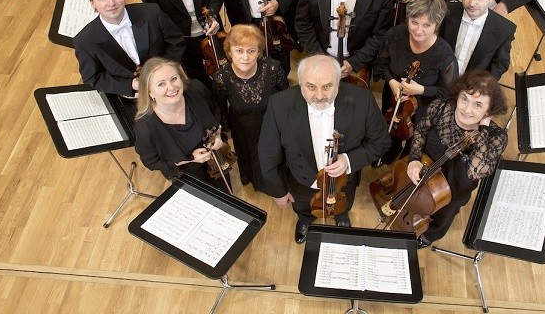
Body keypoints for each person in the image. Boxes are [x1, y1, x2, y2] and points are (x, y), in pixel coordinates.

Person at [258, 55, 391, 243]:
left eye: (327, 86)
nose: (319, 96)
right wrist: (278, 191)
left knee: (343, 205)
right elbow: (267, 154)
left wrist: (348, 160)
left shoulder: (363, 100)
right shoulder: (279, 104)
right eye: (311, 87)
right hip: (301, 182)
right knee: (303, 207)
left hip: (343, 183)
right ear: (300, 83)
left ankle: (341, 217)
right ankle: (305, 220)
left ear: (338, 82)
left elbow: (381, 142)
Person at [406, 70, 508, 248]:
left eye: (478, 105)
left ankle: (428, 236)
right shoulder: (440, 107)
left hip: (455, 188)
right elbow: (421, 132)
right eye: (464, 99)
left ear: (489, 110)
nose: (467, 109)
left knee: (443, 215)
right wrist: (414, 159)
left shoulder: (496, 137)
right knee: (413, 197)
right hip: (426, 167)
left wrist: (483, 129)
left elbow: (475, 171)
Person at [73, 0, 185, 104]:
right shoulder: (84, 41)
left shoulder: (151, 13)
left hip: (170, 87)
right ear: (92, 3)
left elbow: (176, 42)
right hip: (129, 98)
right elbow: (93, 78)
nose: (111, 3)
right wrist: (132, 85)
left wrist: (164, 74)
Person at [373, 0, 458, 164]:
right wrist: (391, 81)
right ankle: (389, 150)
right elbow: (382, 63)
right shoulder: (395, 35)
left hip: (424, 105)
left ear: (437, 25)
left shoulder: (444, 54)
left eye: (427, 25)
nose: (418, 30)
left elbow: (448, 92)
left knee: (415, 136)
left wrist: (421, 90)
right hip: (394, 95)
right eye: (414, 22)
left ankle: (406, 161)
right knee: (390, 123)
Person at [211, 24, 288, 193]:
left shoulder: (273, 68)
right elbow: (221, 108)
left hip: (272, 125)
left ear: (258, 51)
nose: (245, 57)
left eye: (251, 51)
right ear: (230, 52)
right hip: (243, 128)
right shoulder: (221, 78)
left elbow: (286, 100)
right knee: (253, 159)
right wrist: (227, 130)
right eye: (239, 51)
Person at [134, 57, 230, 192]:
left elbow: (215, 109)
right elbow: (152, 162)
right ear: (150, 92)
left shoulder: (196, 89)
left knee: (226, 195)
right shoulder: (144, 127)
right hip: (186, 171)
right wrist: (191, 159)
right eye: (161, 84)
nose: (171, 87)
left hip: (216, 159)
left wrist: (218, 135)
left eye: (174, 78)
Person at [441, 0, 516, 80]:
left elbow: (500, 64)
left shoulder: (505, 29)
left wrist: (482, 85)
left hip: (473, 84)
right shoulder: (446, 11)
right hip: (440, 79)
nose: (472, 3)